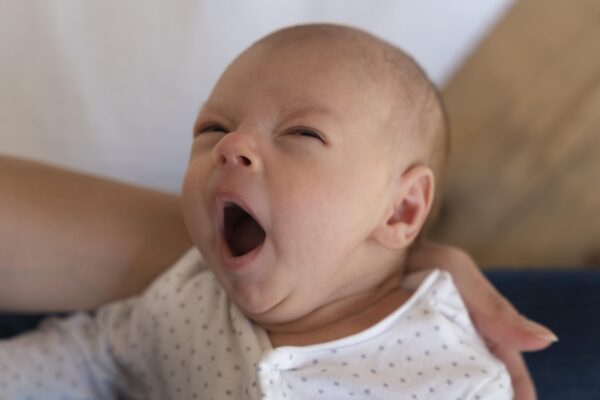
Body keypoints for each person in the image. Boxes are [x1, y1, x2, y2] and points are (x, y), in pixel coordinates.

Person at [0, 24, 555, 399]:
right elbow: (95, 358)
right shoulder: (188, 295)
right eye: (212, 128)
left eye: (302, 133)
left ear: (400, 211)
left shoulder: (454, 379)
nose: (230, 145)